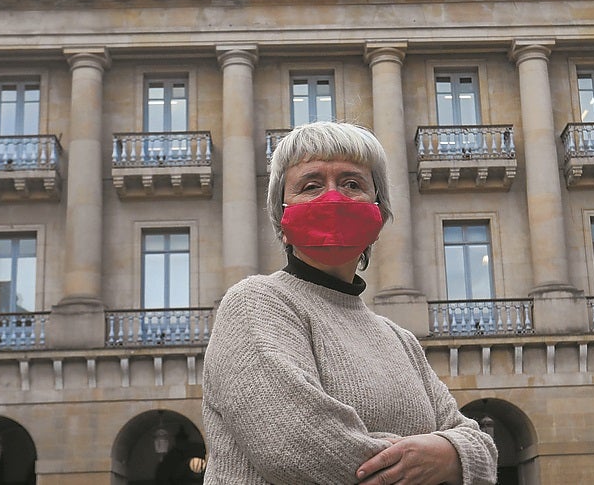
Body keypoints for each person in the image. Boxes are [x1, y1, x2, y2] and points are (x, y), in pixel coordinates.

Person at [202, 121, 497, 484]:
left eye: (352, 183)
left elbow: (480, 446)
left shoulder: (399, 339)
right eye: (311, 185)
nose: (333, 197)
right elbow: (300, 447)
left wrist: (451, 453)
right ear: (281, 214)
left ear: (379, 207)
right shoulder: (256, 303)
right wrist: (433, 458)